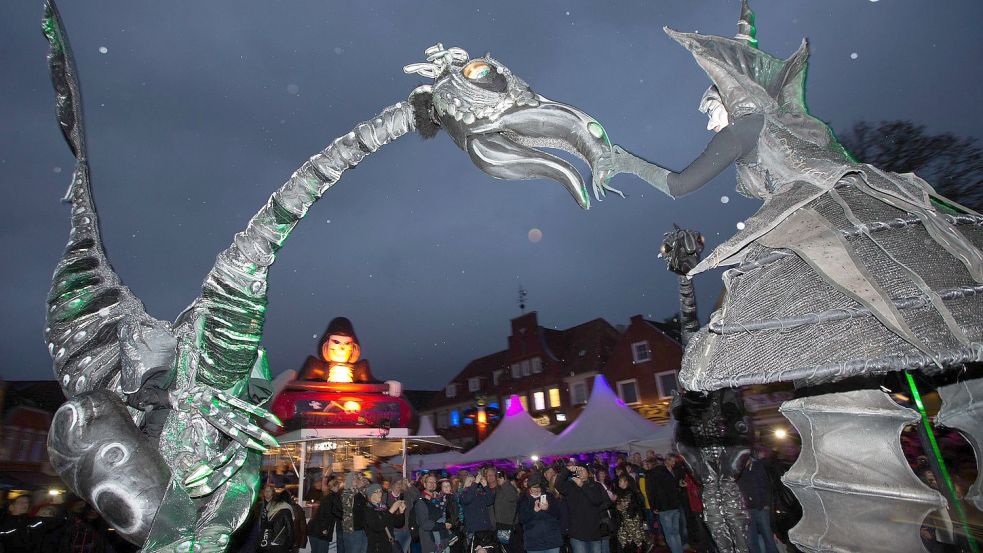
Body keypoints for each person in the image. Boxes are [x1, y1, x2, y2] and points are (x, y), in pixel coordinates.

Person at [555, 464, 610, 553]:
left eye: (582, 470)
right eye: (578, 470)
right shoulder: (571, 486)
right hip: (577, 533)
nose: (580, 471)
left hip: (594, 532)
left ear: (588, 473)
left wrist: (582, 485)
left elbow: (597, 500)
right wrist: (566, 470)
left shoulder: (596, 485)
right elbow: (558, 484)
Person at [738, 449, 780, 553]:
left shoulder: (759, 466)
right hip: (747, 510)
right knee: (752, 540)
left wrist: (765, 504)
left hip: (761, 509)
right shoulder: (738, 470)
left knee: (768, 537)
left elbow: (766, 485)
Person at [517, 475, 564, 553]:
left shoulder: (549, 496)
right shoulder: (523, 499)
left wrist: (548, 508)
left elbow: (558, 514)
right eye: (534, 487)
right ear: (529, 488)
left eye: (538, 487)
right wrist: (534, 511)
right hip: (534, 543)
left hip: (552, 541)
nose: (536, 490)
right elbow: (522, 519)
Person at [648, 457, 685, 553]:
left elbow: (651, 492)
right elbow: (675, 488)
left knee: (669, 534)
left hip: (663, 507)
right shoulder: (669, 472)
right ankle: (679, 551)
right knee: (676, 533)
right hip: (674, 506)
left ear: (651, 465)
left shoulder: (651, 474)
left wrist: (654, 507)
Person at [459, 469, 498, 553]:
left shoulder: (478, 493)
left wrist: (485, 486)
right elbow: (467, 499)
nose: (472, 482)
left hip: (486, 529)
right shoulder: (463, 494)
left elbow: (490, 501)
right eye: (470, 481)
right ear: (465, 483)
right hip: (473, 531)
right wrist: (475, 483)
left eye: (473, 481)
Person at [363, 483, 406, 553]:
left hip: (388, 546)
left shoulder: (384, 507)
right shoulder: (367, 510)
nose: (380, 494)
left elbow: (399, 524)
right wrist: (391, 511)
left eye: (380, 491)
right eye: (377, 492)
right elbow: (377, 527)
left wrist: (401, 512)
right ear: (370, 495)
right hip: (377, 548)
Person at [613, 475, 648, 553]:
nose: (619, 483)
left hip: (632, 520)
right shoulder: (620, 492)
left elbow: (636, 505)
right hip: (625, 521)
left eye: (621, 481)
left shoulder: (631, 492)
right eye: (619, 481)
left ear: (626, 482)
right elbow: (619, 506)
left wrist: (621, 505)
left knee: (637, 540)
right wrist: (616, 505)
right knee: (627, 541)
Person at [310, 477, 345, 553]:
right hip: (322, 530)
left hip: (313, 529)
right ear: (336, 486)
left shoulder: (325, 495)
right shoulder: (334, 497)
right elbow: (334, 512)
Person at [415, 473, 446, 553]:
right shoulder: (421, 501)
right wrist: (443, 525)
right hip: (430, 541)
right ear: (424, 484)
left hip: (441, 539)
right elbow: (425, 524)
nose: (432, 484)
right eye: (430, 482)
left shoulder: (437, 498)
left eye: (434, 482)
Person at [260, 487, 297, 553]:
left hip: (268, 541)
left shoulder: (272, 509)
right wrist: (290, 545)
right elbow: (290, 529)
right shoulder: (286, 510)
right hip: (280, 543)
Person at [343, 472, 370, 553]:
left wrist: (364, 482)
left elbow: (368, 486)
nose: (359, 480)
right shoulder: (346, 493)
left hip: (363, 529)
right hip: (353, 530)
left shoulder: (361, 493)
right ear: (351, 480)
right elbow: (348, 507)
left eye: (358, 478)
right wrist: (358, 486)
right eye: (356, 478)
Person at [492, 472, 519, 549]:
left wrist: (504, 484)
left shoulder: (509, 487)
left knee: (509, 547)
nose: (498, 478)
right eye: (497, 476)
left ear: (505, 477)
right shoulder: (499, 489)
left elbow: (512, 497)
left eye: (500, 476)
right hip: (501, 524)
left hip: (507, 524)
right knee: (504, 547)